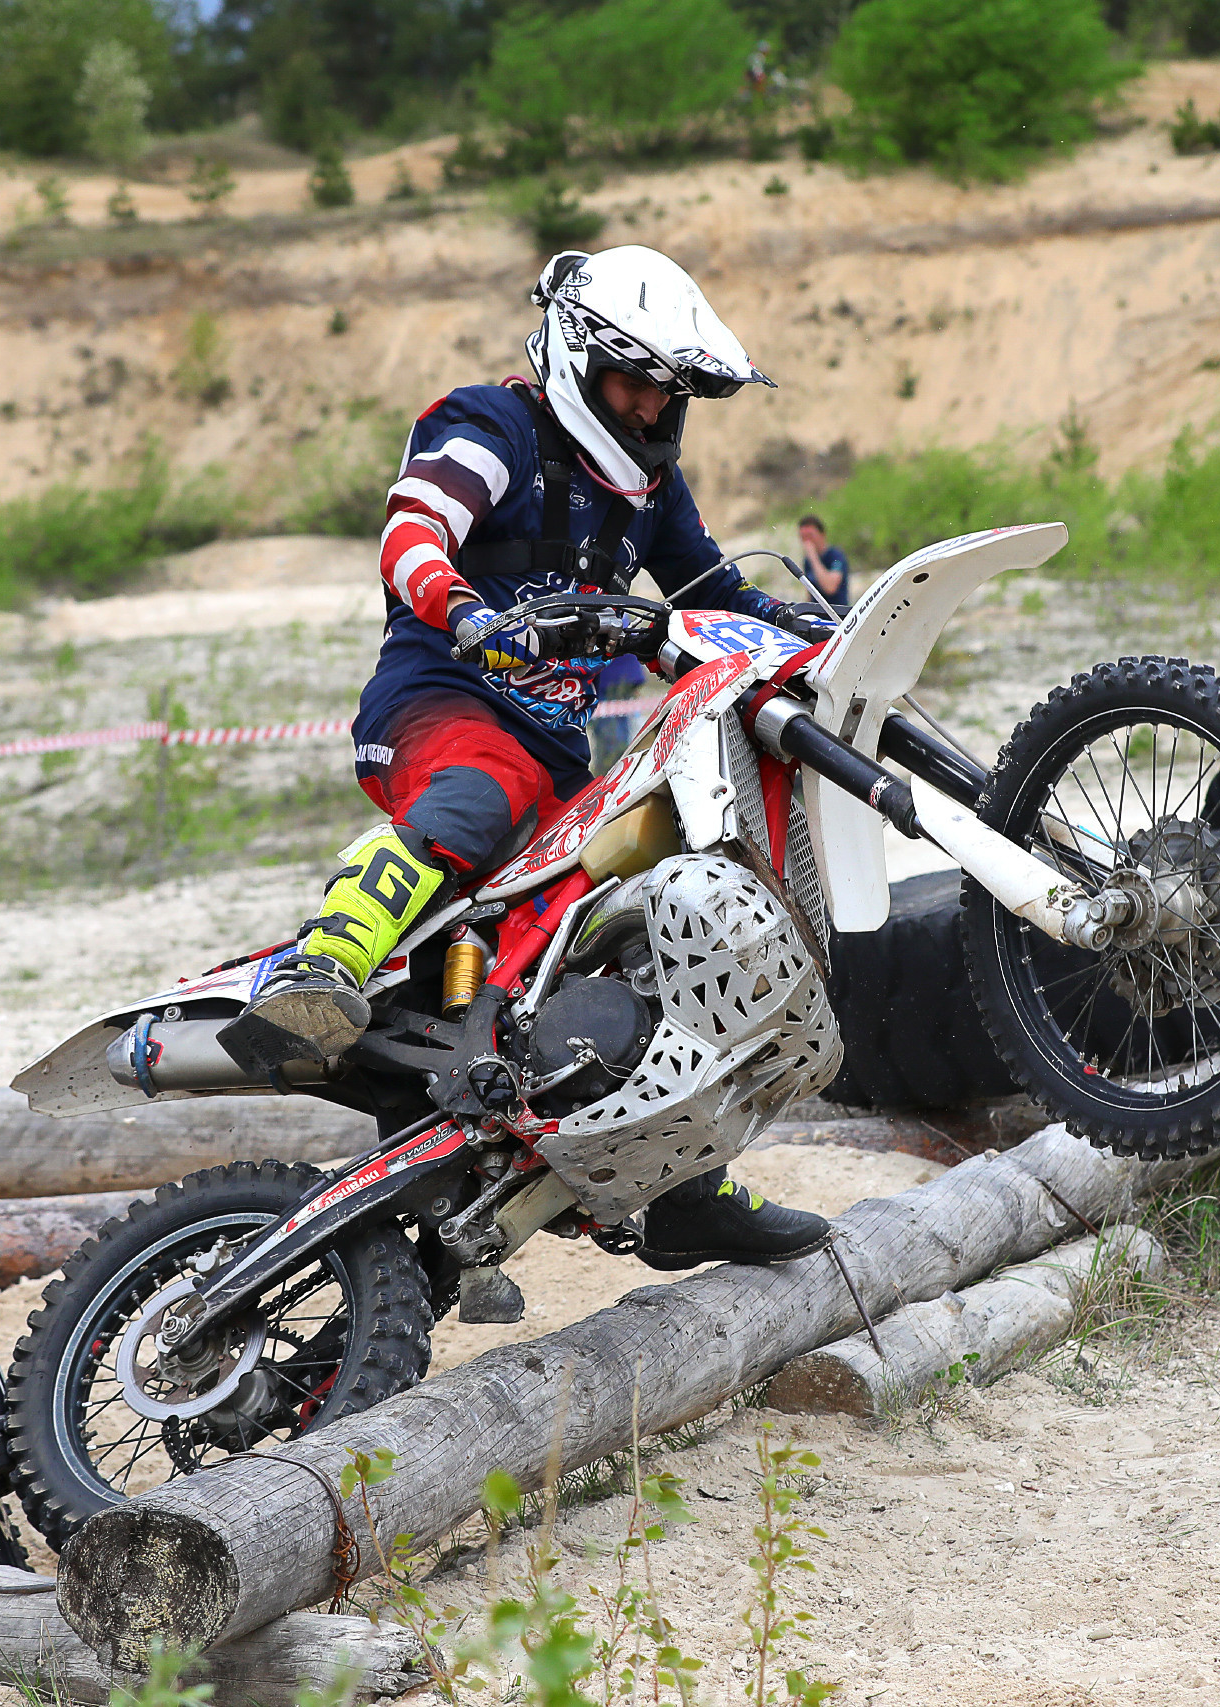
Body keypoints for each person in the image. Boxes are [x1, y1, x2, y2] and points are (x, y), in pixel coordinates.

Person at [223, 244, 835, 1271]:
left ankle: (678, 1189)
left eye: (666, 392)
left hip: (559, 748)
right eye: (633, 382)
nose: (647, 408)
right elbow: (413, 529)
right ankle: (321, 963)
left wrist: (817, 632)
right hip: (438, 704)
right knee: (485, 791)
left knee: (653, 910)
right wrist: (464, 609)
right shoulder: (488, 425)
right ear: (577, 359)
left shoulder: (649, 486)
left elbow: (717, 586)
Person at [796, 515, 849, 613]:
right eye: (803, 538)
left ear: (822, 535)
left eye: (810, 536)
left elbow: (830, 587)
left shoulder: (836, 556)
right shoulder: (807, 561)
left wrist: (813, 557)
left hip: (837, 614)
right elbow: (810, 590)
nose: (807, 542)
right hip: (816, 615)